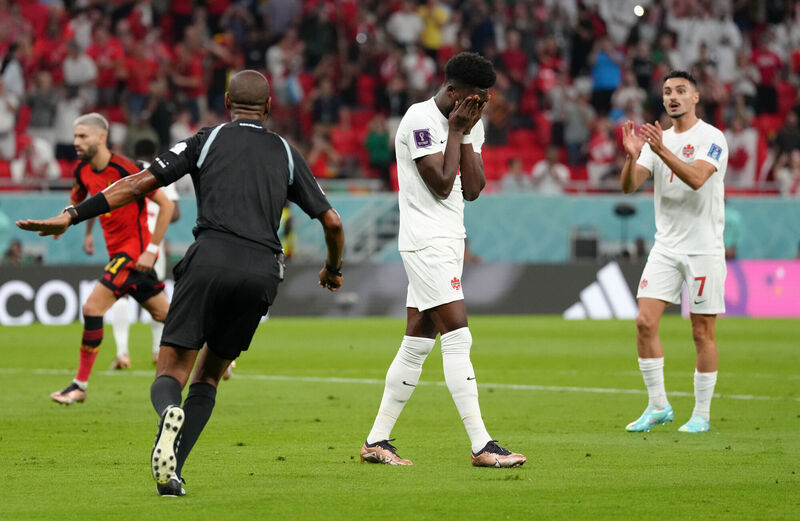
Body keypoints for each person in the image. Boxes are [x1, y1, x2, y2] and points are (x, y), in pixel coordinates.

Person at [17, 70, 344, 497]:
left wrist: (73, 215)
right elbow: (332, 222)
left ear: (227, 101)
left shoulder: (205, 140)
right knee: (209, 377)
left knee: (171, 369)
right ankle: (172, 473)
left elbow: (138, 184)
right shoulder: (286, 151)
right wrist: (333, 269)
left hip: (210, 258)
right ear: (268, 107)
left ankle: (170, 410)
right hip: (263, 270)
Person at [359, 52, 525, 468]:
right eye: (473, 98)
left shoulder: (470, 124)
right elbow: (439, 183)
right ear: (452, 91)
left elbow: (472, 188)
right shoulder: (418, 119)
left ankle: (376, 440)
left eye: (484, 100)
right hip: (425, 241)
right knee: (458, 336)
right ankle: (482, 444)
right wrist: (455, 130)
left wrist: (466, 133)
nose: (480, 106)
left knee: (417, 340)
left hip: (451, 240)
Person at [620, 70, 728, 434]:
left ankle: (701, 414)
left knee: (702, 333)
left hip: (703, 249)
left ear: (696, 97)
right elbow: (630, 187)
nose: (673, 97)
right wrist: (632, 156)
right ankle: (658, 404)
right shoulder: (657, 140)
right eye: (667, 92)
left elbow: (698, 179)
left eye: (681, 90)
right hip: (666, 246)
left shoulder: (712, 138)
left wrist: (658, 150)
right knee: (644, 322)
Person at [47, 113, 175, 405]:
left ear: (101, 137)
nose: (76, 142)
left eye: (82, 136)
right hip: (122, 253)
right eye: (75, 136)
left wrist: (152, 250)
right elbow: (81, 202)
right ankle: (218, 351)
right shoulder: (83, 171)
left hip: (132, 254)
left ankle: (79, 385)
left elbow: (165, 204)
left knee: (92, 307)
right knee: (166, 315)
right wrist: (68, 227)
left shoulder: (126, 168)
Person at [108, 138, 181, 370]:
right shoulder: (163, 173)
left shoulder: (125, 173)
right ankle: (158, 352)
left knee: (120, 295)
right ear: (155, 153)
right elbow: (174, 212)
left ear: (132, 152)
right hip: (153, 245)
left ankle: (122, 353)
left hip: (127, 240)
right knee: (156, 293)